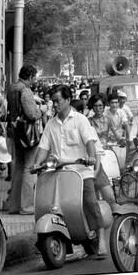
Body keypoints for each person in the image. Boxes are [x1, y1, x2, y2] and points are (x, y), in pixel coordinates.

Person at [33, 85, 109, 257]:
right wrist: (36, 164)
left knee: (90, 200)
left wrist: (90, 156)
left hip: (81, 170)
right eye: (53, 102)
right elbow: (43, 147)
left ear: (68, 100)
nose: (55, 105)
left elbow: (90, 141)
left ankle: (102, 237)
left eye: (58, 101)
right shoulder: (51, 124)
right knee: (48, 202)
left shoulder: (81, 120)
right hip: (58, 172)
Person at [6, 65, 42, 215]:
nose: (35, 80)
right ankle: (26, 206)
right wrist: (41, 110)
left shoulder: (12, 88)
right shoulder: (25, 91)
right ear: (30, 76)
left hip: (15, 132)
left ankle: (14, 205)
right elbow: (32, 114)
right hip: (27, 135)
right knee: (29, 168)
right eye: (35, 77)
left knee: (18, 168)